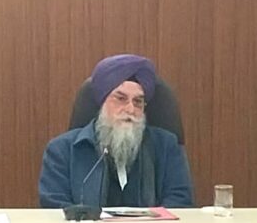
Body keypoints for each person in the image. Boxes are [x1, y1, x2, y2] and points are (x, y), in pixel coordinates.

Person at [37, 54, 194, 209]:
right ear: (102, 102)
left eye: (138, 102)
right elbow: (54, 206)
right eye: (121, 99)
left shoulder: (167, 146)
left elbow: (180, 201)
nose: (131, 109)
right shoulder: (62, 150)